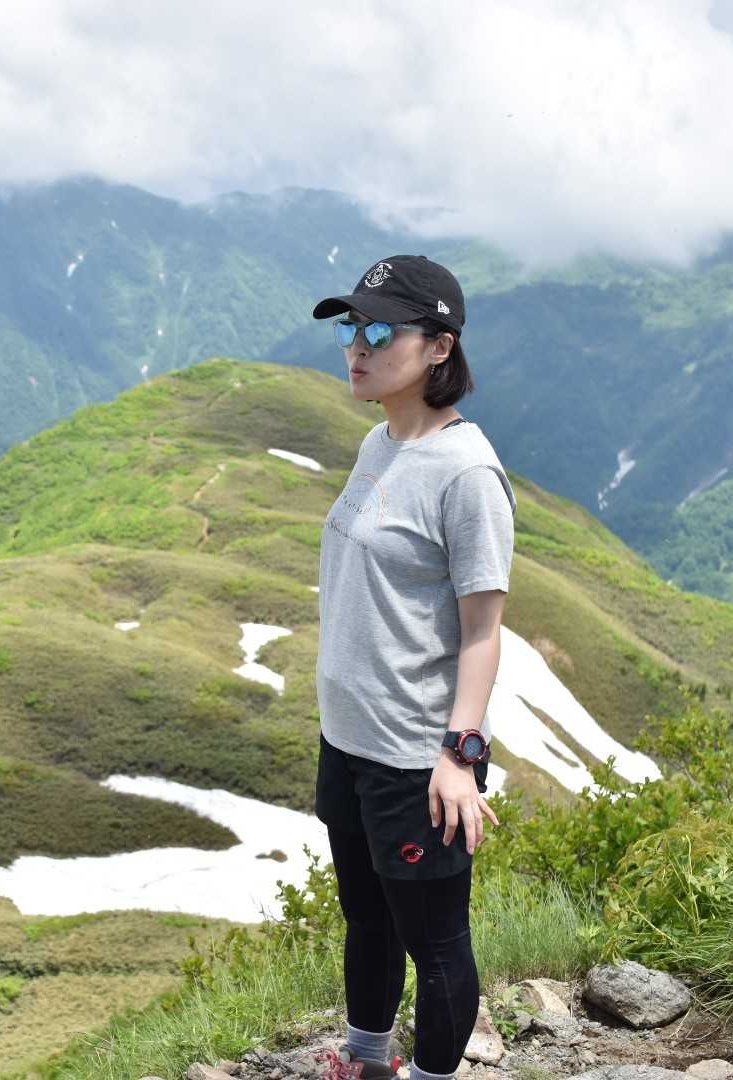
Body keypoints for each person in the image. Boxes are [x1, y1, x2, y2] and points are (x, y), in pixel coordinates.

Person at [309, 256, 517, 1080]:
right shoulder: (379, 441)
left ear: (438, 346)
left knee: (435, 943)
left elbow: (483, 630)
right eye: (349, 326)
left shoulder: (467, 474)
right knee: (366, 918)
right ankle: (366, 1059)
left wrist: (460, 754)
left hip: (416, 756)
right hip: (349, 737)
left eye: (378, 330)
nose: (356, 346)